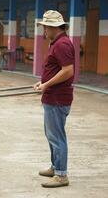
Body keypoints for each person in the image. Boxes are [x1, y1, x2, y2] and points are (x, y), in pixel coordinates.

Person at [33, 10, 75, 188]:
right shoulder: (57, 42)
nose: (43, 31)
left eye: (45, 27)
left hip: (57, 98)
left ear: (53, 27)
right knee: (51, 135)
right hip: (52, 96)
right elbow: (56, 69)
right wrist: (42, 82)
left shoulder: (62, 44)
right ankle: (55, 166)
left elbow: (68, 71)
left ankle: (61, 175)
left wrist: (46, 84)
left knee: (57, 137)